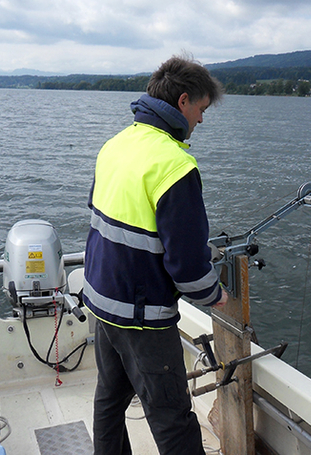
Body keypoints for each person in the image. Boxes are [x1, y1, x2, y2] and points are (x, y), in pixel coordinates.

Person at [82, 55, 228, 455]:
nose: (201, 119)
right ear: (183, 102)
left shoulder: (116, 144)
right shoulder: (175, 165)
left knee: (109, 400)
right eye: (201, 109)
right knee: (172, 416)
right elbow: (188, 270)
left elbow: (114, 220)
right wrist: (216, 295)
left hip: (100, 301)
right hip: (141, 317)